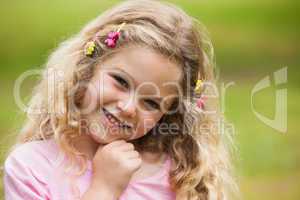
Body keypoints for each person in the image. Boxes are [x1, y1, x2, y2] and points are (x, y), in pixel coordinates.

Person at [3, 0, 237, 199]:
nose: (127, 108)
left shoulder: (178, 178)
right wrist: (104, 189)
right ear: (88, 67)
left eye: (152, 103)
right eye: (121, 81)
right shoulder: (32, 167)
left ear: (168, 113)